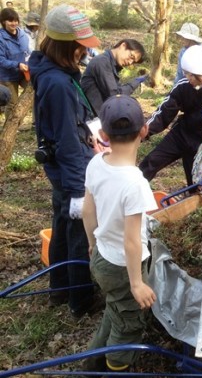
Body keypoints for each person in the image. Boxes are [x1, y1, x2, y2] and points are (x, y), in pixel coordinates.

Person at [29, 4, 103, 318]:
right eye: (79, 47)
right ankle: (81, 301)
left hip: (63, 167)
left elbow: (71, 126)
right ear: (66, 46)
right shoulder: (58, 84)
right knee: (77, 235)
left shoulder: (59, 73)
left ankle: (59, 290)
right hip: (72, 171)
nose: (83, 53)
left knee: (61, 227)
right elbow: (66, 141)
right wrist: (77, 190)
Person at [82, 95, 158, 374]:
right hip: (123, 268)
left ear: (103, 134)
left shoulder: (96, 163)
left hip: (101, 256)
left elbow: (88, 210)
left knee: (115, 310)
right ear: (144, 130)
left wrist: (92, 243)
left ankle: (92, 364)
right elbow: (131, 240)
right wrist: (137, 283)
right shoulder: (135, 184)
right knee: (129, 324)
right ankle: (116, 367)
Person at [139, 45, 202, 185]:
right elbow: (164, 112)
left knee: (196, 182)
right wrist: (143, 132)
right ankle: (130, 190)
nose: (188, 78)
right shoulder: (183, 86)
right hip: (181, 134)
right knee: (150, 162)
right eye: (186, 73)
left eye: (192, 75)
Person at [81, 39, 147, 112]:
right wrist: (135, 83)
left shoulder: (112, 65)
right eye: (131, 56)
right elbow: (115, 96)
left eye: (133, 62)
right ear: (123, 45)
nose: (130, 62)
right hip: (91, 118)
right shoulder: (102, 62)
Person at [0, 7, 30, 119]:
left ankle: (33, 121)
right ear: (3, 22)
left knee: (34, 90)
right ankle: (9, 130)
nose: (14, 23)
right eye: (10, 21)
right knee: (12, 104)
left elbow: (27, 51)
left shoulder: (22, 34)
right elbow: (1, 60)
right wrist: (17, 65)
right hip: (7, 76)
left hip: (23, 72)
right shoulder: (1, 38)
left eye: (15, 20)